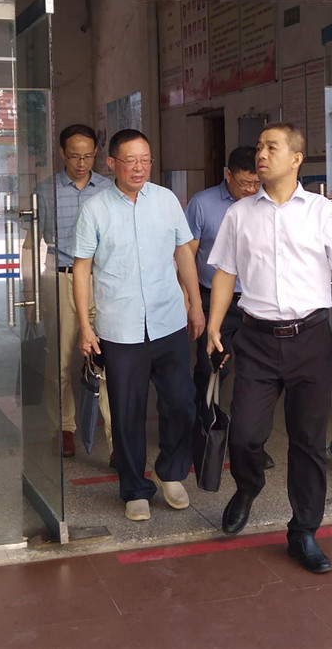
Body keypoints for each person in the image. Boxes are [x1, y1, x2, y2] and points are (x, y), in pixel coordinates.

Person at [206, 122, 332, 574]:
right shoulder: (240, 214)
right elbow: (225, 273)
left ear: (296, 159)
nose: (261, 154)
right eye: (259, 147)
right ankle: (248, 486)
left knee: (308, 441)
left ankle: (303, 531)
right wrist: (214, 326)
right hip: (257, 340)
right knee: (245, 435)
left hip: (311, 340)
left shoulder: (321, 211)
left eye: (272, 147)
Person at [72, 128, 204, 521]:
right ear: (112, 163)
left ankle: (170, 471)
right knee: (127, 413)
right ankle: (134, 488)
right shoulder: (95, 209)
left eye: (145, 160)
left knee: (181, 402)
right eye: (130, 160)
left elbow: (184, 254)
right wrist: (85, 326)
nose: (139, 167)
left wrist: (196, 304)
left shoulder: (166, 200)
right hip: (120, 327)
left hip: (168, 320)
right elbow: (82, 269)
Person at [184, 146, 274, 470]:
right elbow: (186, 255)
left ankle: (249, 443)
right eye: (245, 183)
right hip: (214, 299)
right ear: (228, 176)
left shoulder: (267, 204)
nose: (251, 189)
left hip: (255, 302)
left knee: (256, 374)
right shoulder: (202, 204)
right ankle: (203, 431)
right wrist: (192, 301)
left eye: (256, 182)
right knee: (212, 369)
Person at [33, 124, 113, 460]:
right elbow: (30, 244)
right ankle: (64, 428)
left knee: (109, 360)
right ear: (62, 154)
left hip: (103, 282)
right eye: (75, 156)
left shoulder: (109, 189)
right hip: (63, 279)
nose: (82, 163)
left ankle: (115, 439)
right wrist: (31, 295)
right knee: (61, 361)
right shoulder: (45, 191)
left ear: (97, 154)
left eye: (88, 156)